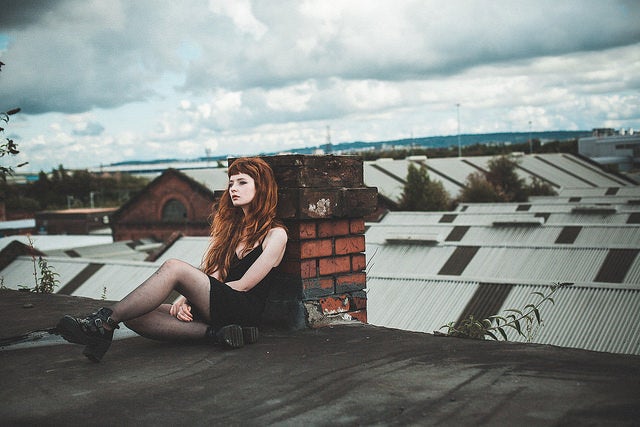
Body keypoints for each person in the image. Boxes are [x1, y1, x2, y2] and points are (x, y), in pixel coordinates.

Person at [56, 157, 288, 362]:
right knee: (135, 315)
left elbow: (244, 284)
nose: (233, 189)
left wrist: (195, 298)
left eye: (242, 182)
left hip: (245, 308)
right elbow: (214, 275)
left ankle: (103, 323)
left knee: (174, 267)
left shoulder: (276, 235)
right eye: (230, 183)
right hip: (222, 308)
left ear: (262, 188)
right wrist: (184, 300)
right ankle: (218, 333)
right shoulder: (232, 231)